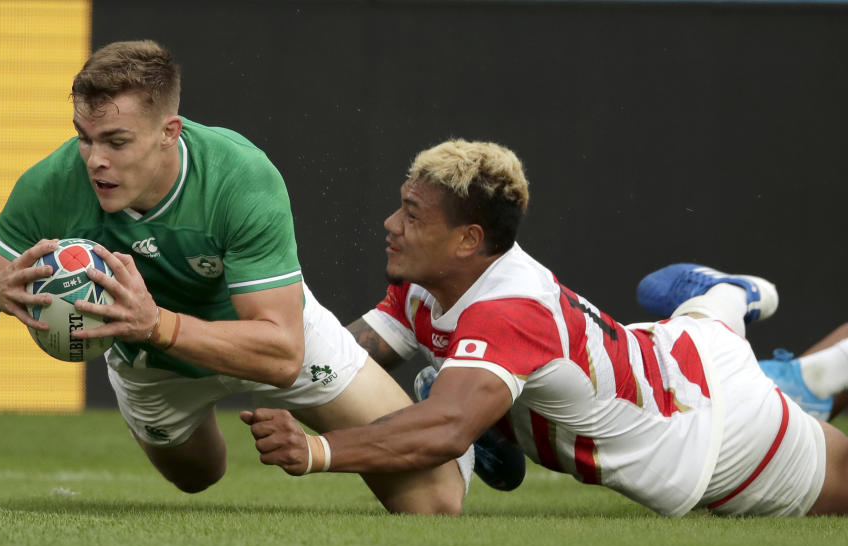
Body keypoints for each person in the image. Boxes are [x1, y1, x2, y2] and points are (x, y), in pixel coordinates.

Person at [0, 40, 470, 515]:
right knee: (197, 478)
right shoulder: (51, 184)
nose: (95, 160)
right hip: (152, 365)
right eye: (84, 137)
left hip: (258, 334)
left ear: (169, 132)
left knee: (434, 501)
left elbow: (283, 354)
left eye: (116, 141)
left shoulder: (239, 177)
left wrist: (156, 324)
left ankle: (467, 432)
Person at [242, 138, 848, 517]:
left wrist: (318, 449)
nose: (390, 223)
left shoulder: (509, 311)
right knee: (447, 384)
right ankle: (726, 303)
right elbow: (341, 356)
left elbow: (447, 428)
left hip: (722, 438)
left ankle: (732, 309)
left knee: (444, 398)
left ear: (468, 240)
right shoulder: (430, 281)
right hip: (679, 351)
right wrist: (234, 346)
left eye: (412, 213)